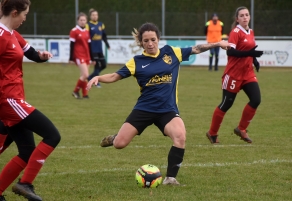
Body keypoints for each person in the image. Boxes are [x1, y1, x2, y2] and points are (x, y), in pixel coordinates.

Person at [87, 22, 230, 185]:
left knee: (180, 137)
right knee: (120, 144)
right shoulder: (137, 61)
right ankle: (115, 138)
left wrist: (218, 43)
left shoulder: (172, 52)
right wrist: (98, 78)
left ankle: (170, 178)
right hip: (144, 109)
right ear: (141, 42)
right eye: (146, 41)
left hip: (167, 110)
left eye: (153, 40)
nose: (150, 44)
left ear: (158, 39)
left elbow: (196, 48)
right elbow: (115, 76)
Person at [0, 1, 61, 201]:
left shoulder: (11, 33)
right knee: (52, 135)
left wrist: (42, 56)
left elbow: (31, 54)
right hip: (9, 100)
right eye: (24, 15)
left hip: (14, 99)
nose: (25, 19)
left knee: (27, 150)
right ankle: (25, 183)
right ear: (14, 13)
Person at [206, 6, 263, 144]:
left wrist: (254, 60)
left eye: (246, 15)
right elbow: (230, 52)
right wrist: (250, 54)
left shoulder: (251, 32)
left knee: (256, 99)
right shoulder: (235, 32)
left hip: (247, 73)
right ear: (237, 19)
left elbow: (250, 49)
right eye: (241, 15)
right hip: (233, 75)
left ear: (249, 17)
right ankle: (212, 133)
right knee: (226, 104)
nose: (245, 17)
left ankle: (241, 129)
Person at [69, 12, 94, 99]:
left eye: (84, 20)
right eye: (81, 20)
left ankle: (85, 94)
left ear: (86, 21)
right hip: (79, 55)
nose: (82, 22)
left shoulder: (87, 31)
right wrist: (71, 58)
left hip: (86, 56)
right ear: (78, 21)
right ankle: (75, 91)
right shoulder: (74, 31)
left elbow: (89, 46)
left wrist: (92, 58)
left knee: (84, 76)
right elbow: (72, 45)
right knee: (86, 75)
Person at [86, 8, 110, 88]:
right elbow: (86, 37)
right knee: (96, 66)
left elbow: (104, 36)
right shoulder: (88, 25)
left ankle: (90, 77)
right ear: (90, 16)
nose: (95, 16)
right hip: (93, 49)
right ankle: (96, 82)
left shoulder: (101, 24)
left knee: (103, 65)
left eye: (96, 15)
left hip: (99, 49)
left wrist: (107, 45)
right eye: (93, 15)